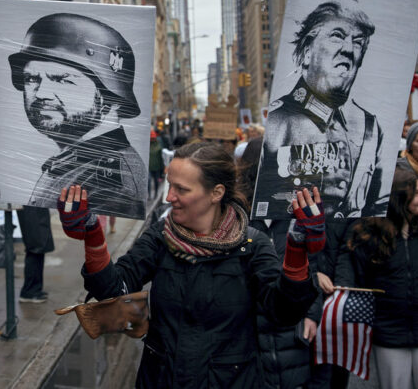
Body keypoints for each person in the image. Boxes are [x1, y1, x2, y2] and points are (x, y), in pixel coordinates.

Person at [58, 142, 321, 388]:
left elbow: (283, 312)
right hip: (162, 378)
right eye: (169, 184)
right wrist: (93, 235)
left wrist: (297, 250)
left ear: (216, 193)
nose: (169, 197)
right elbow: (114, 289)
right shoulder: (161, 236)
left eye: (181, 189)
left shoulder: (251, 244)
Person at [256, 0, 387, 220]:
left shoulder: (370, 127)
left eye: (358, 42)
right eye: (337, 36)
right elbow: (263, 211)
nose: (349, 49)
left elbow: (377, 207)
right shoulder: (278, 121)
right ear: (307, 51)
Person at [8, 13, 148, 218]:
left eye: (63, 80)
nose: (41, 93)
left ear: (112, 97)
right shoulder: (71, 161)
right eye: (31, 79)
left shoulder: (113, 179)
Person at [346, 166, 418, 389]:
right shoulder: (369, 237)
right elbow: (357, 275)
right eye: (416, 193)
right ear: (397, 198)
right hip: (389, 333)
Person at [239, 137, 323, 389]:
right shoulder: (235, 218)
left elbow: (313, 268)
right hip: (250, 333)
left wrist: (312, 315)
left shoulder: (296, 214)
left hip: (291, 328)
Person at [16, 206, 54, 304]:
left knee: (38, 249)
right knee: (35, 249)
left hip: (35, 208)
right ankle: (29, 291)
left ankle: (35, 289)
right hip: (32, 210)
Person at [148, 130, 163, 198]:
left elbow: (161, 158)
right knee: (148, 181)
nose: (152, 139)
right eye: (151, 138)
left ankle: (156, 193)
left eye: (153, 137)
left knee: (156, 182)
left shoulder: (159, 146)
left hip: (157, 167)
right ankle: (149, 195)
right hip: (149, 167)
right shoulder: (147, 146)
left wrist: (161, 170)